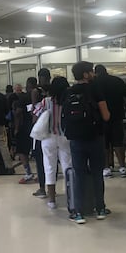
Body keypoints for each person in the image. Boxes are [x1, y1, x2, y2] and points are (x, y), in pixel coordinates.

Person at [63, 61, 111, 224]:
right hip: (95, 138)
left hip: (76, 140)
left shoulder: (69, 92)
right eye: (91, 71)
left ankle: (78, 212)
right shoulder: (95, 89)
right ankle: (100, 209)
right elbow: (105, 116)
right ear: (85, 74)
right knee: (97, 174)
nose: (93, 74)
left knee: (79, 174)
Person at [36, 76, 72, 209]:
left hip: (48, 137)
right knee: (67, 166)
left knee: (49, 167)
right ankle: (71, 197)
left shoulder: (46, 101)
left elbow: (36, 114)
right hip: (65, 137)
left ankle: (51, 200)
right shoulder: (68, 100)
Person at [94, 64, 126, 178]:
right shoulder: (117, 81)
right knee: (118, 142)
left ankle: (106, 168)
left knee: (104, 144)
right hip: (117, 116)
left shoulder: (95, 83)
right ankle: (122, 167)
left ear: (96, 72)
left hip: (101, 117)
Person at [30, 68, 51, 197]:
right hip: (53, 128)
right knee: (51, 160)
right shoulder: (53, 90)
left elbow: (34, 111)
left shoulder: (35, 91)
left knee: (40, 159)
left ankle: (42, 188)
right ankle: (50, 188)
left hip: (41, 128)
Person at [13, 78, 37, 184]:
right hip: (38, 127)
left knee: (23, 151)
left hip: (24, 127)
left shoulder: (22, 98)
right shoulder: (42, 96)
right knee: (38, 151)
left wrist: (16, 128)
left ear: (28, 85)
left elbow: (18, 113)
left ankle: (28, 173)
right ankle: (41, 173)